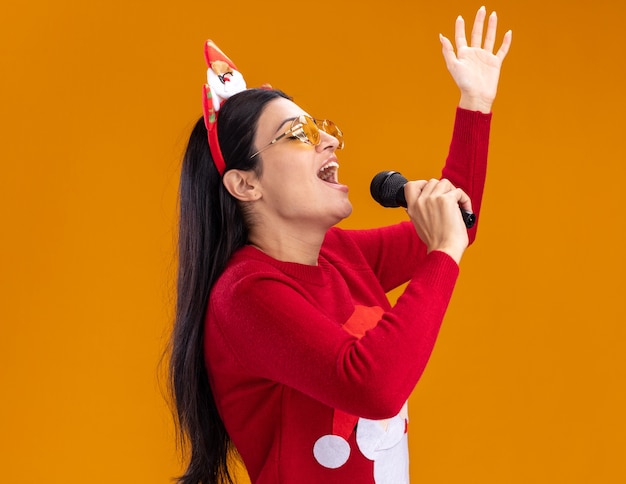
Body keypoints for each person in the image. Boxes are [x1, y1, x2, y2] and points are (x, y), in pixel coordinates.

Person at [169, 6, 511, 484]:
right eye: (298, 134)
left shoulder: (339, 254)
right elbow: (374, 385)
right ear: (245, 185)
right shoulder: (245, 295)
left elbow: (458, 221)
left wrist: (475, 103)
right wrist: (443, 256)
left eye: (321, 126)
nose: (329, 139)